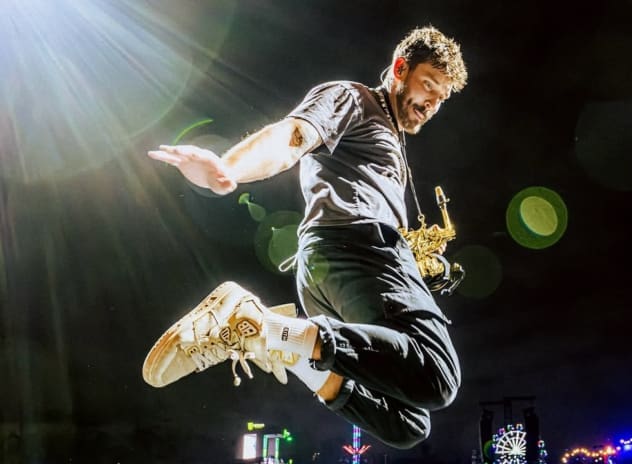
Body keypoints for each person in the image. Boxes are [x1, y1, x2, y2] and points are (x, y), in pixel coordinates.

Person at [143, 26, 468, 449]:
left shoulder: (388, 133)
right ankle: (260, 325)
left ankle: (286, 344)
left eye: (441, 98)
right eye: (428, 85)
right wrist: (229, 170)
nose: (431, 103)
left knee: (408, 423)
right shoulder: (355, 99)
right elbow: (293, 136)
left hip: (330, 272)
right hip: (356, 245)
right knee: (438, 374)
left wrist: (421, 266)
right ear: (400, 68)